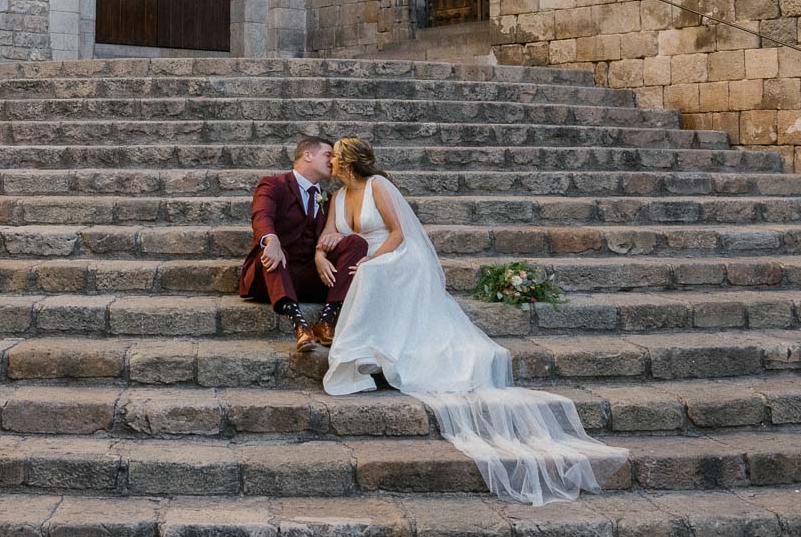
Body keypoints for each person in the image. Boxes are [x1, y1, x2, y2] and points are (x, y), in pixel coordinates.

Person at [320, 137, 630, 506]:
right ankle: (363, 352)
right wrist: (321, 254)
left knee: (370, 274)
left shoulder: (378, 186)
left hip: (396, 256)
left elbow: (399, 233)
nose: (330, 162)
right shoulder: (336, 198)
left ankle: (367, 350)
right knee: (363, 273)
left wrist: (373, 260)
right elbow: (328, 235)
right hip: (361, 257)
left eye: (335, 157)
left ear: (348, 162)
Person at [239, 136, 368, 352]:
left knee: (355, 243)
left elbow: (331, 234)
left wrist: (333, 242)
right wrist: (271, 239)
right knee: (273, 254)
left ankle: (326, 320)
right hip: (274, 274)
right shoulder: (274, 184)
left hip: (310, 275)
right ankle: (300, 326)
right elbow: (262, 216)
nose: (333, 161)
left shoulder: (328, 197)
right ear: (307, 155)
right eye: (328, 155)